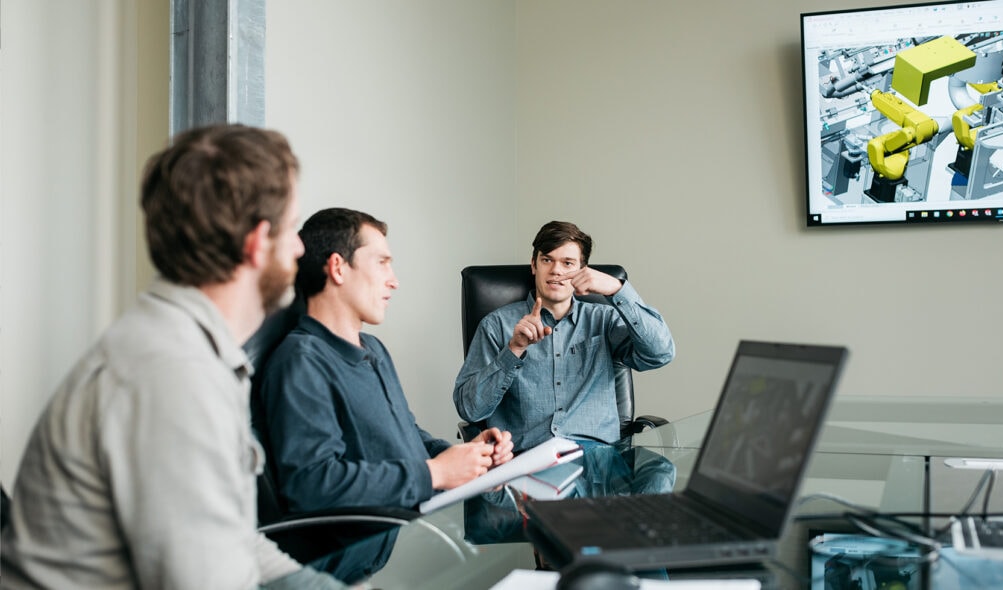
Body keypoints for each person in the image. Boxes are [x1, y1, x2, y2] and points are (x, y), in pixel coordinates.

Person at [0, 124, 350, 588]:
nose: (301, 248)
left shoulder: (187, 350)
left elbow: (234, 544)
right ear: (255, 243)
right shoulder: (172, 376)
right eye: (291, 229)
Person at [257, 208, 514, 543]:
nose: (394, 280)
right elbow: (312, 485)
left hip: (392, 544)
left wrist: (464, 458)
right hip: (341, 568)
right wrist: (435, 473)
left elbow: (405, 434)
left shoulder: (373, 349)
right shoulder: (300, 362)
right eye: (381, 262)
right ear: (338, 267)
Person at [453, 221, 675, 454]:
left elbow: (661, 353)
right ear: (534, 265)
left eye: (567, 263)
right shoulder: (496, 325)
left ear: (582, 270)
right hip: (525, 460)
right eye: (547, 260)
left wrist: (618, 289)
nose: (556, 270)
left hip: (596, 460)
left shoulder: (604, 319)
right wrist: (514, 350)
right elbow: (470, 409)